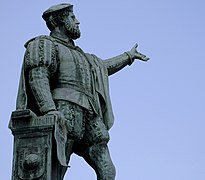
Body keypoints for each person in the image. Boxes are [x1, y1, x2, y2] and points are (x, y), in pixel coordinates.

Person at [16, 3, 149, 180]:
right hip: (63, 111)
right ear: (57, 21)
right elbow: (38, 76)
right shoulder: (44, 44)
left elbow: (102, 67)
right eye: (72, 17)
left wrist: (128, 56)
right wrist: (49, 110)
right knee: (53, 170)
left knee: (107, 170)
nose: (77, 22)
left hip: (89, 114)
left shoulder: (83, 56)